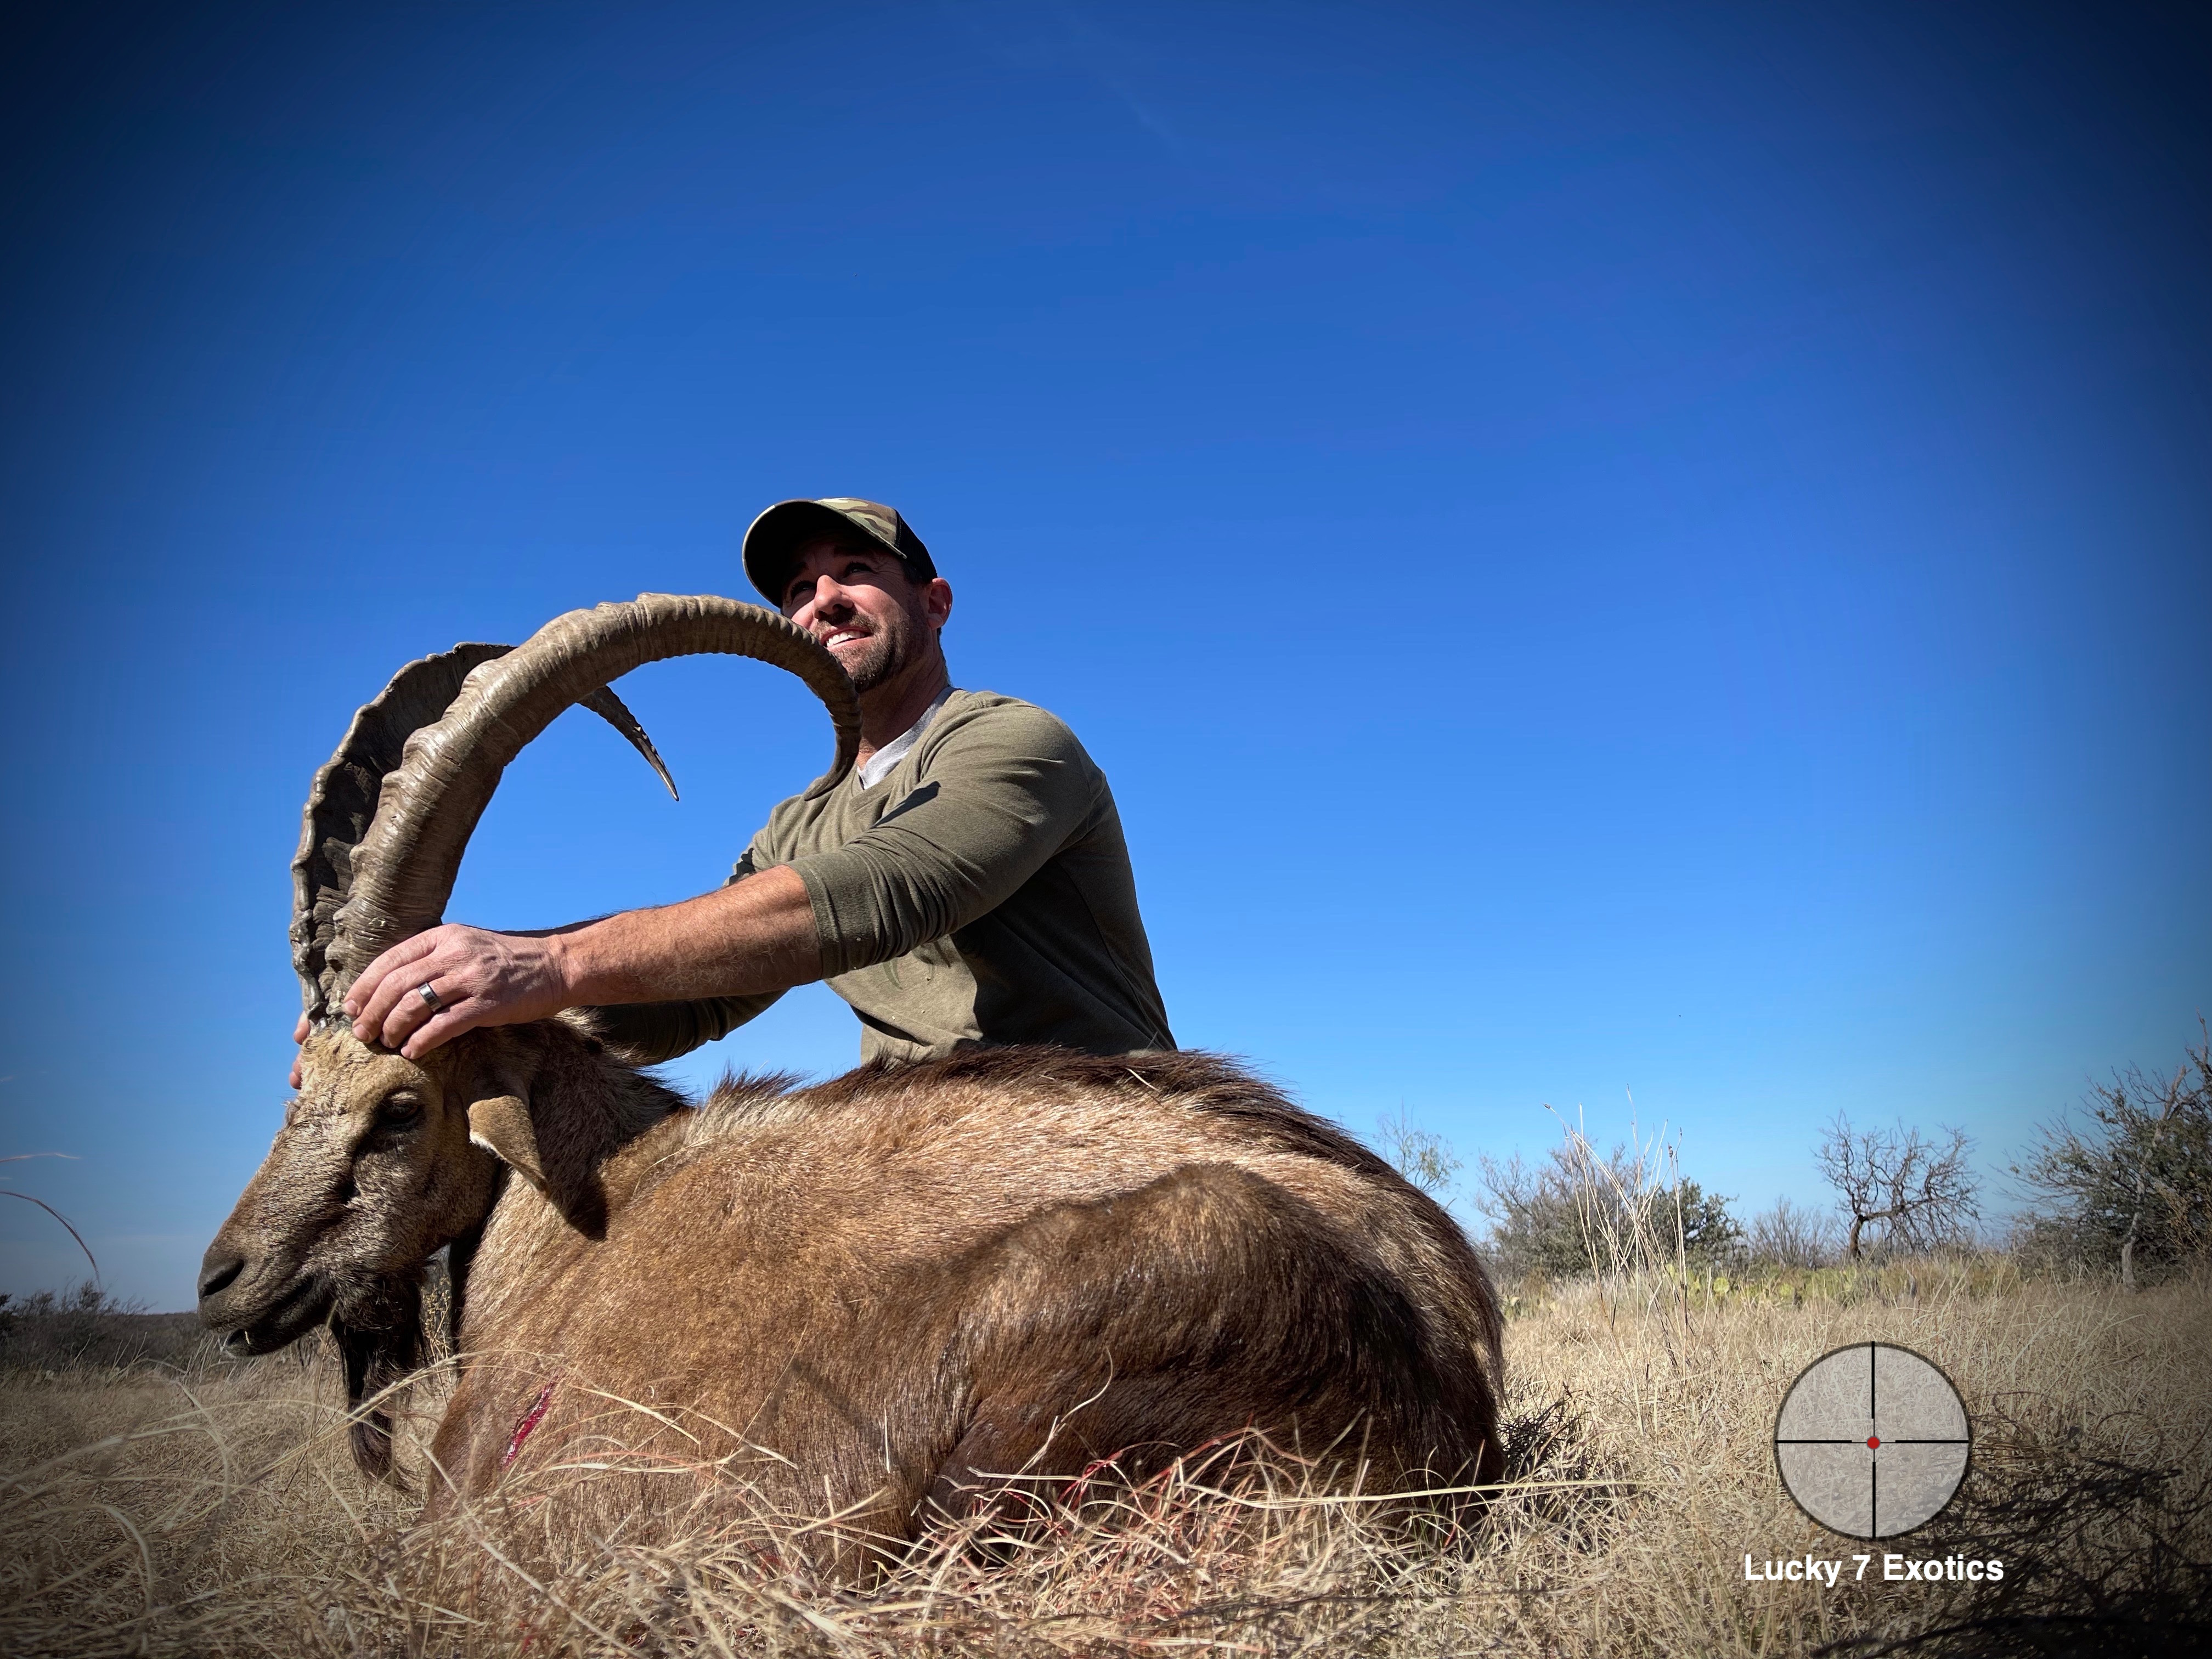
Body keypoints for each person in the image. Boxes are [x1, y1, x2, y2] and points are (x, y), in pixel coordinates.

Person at [315, 496, 1175, 1075]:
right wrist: (430, 1006)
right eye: (800, 589)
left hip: (1103, 1119)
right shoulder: (795, 824)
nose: (823, 600)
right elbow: (697, 996)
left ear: (936, 601)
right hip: (927, 1144)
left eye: (857, 571)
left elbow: (890, 889)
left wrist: (549, 959)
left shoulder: (1015, 741)